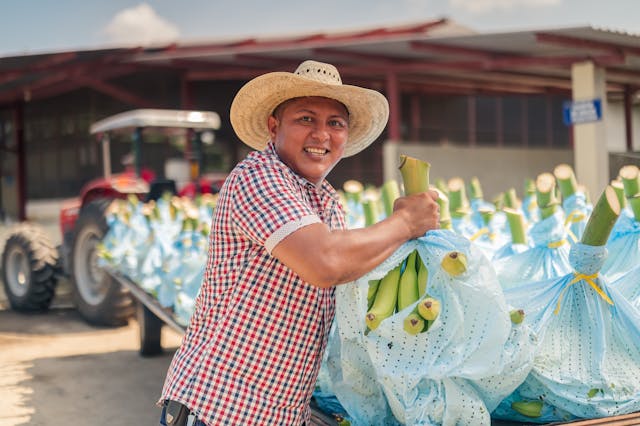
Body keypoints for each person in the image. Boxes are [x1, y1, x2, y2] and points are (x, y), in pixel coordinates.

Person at [158, 60, 440, 426]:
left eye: (335, 123)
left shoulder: (328, 202)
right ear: (274, 127)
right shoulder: (258, 176)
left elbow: (349, 268)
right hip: (220, 409)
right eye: (306, 119)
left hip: (278, 415)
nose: (322, 135)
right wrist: (404, 221)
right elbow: (325, 263)